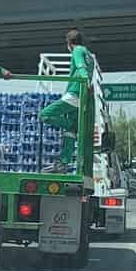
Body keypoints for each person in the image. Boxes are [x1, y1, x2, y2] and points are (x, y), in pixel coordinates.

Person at [39, 29, 94, 173]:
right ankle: (64, 162)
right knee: (69, 132)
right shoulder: (89, 55)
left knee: (44, 115)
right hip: (82, 97)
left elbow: (81, 66)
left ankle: (72, 126)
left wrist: (85, 81)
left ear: (69, 43)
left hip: (74, 93)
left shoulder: (77, 51)